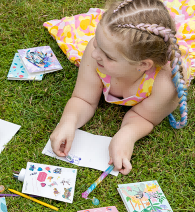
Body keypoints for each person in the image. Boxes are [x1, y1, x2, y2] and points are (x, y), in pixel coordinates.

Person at [45, 0, 193, 175]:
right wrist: (68, 122)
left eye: (108, 56)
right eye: (96, 43)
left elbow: (145, 117)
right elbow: (83, 99)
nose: (94, 54)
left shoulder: (167, 83)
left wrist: (127, 135)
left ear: (143, 64)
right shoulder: (98, 53)